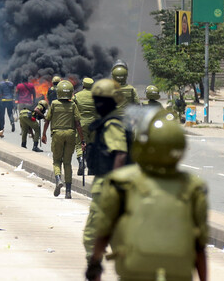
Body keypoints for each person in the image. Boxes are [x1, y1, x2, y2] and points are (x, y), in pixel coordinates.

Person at [86, 109, 208, 281]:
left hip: (134, 273)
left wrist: (94, 265)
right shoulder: (194, 187)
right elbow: (199, 246)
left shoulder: (122, 182)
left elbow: (104, 231)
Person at [82, 78, 129, 258]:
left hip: (107, 189)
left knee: (92, 238)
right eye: (97, 100)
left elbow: (120, 152)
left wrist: (113, 186)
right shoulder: (108, 122)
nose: (99, 104)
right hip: (106, 187)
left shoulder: (112, 124)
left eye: (103, 101)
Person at [41, 80, 82, 198]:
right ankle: (68, 191)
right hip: (70, 134)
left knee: (57, 161)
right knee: (67, 163)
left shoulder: (54, 104)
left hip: (57, 134)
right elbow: (78, 123)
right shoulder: (73, 105)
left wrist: (43, 134)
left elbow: (47, 120)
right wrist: (82, 140)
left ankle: (58, 179)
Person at [73, 77, 97, 177]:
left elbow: (72, 109)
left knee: (79, 144)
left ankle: (81, 160)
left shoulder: (77, 96)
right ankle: (91, 168)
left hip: (81, 124)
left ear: (83, 86)